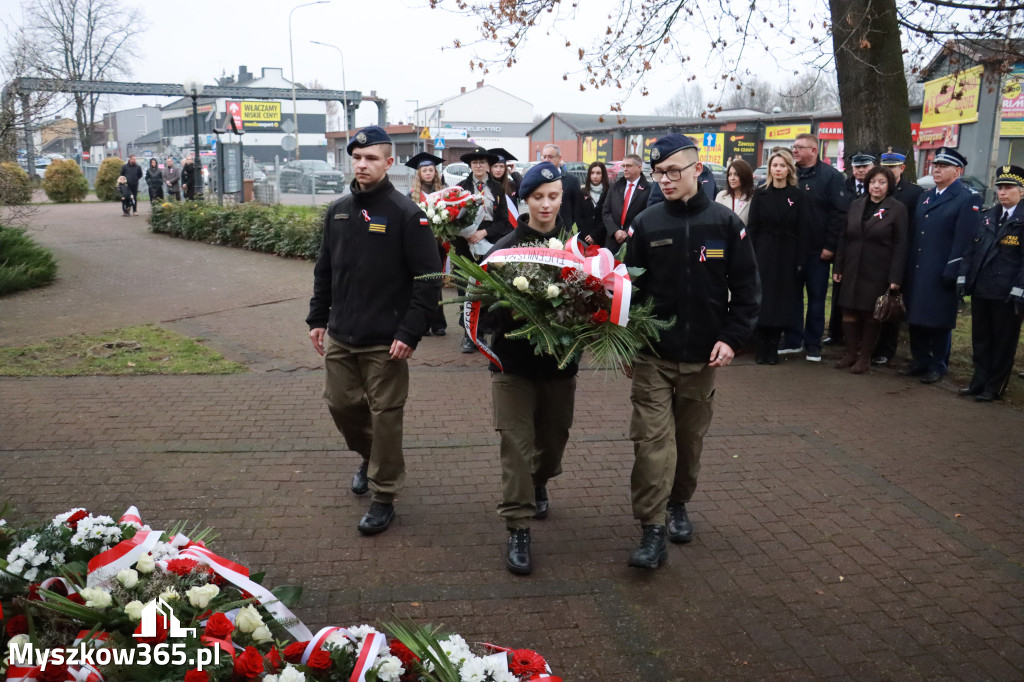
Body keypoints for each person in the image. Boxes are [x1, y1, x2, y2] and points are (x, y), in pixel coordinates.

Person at [623, 134, 760, 569]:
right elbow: (628, 291)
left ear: (697, 170)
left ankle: (678, 503)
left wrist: (732, 338)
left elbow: (747, 289)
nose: (664, 180)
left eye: (672, 171)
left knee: (688, 441)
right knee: (652, 443)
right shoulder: (646, 224)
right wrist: (626, 342)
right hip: (653, 357)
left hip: (703, 358)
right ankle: (652, 529)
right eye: (657, 173)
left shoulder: (725, 224)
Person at [306, 126, 442, 536]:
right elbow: (325, 269)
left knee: (386, 418)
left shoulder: (406, 214)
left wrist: (410, 332)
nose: (362, 165)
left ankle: (384, 496)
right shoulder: (339, 211)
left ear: (388, 163)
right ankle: (370, 456)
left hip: (387, 341)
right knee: (341, 406)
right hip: (342, 335)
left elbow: (429, 279)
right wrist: (317, 318)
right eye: (357, 158)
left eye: (371, 158)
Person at [485, 162, 579, 575]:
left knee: (553, 443)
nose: (546, 204)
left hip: (560, 367)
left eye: (553, 196)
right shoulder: (505, 249)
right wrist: (515, 312)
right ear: (525, 200)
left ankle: (540, 482)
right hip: (513, 367)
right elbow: (484, 309)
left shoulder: (577, 248)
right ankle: (518, 527)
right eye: (538, 197)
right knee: (516, 447)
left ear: (561, 198)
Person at [901, 147, 981, 384]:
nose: (936, 170)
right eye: (935, 166)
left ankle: (938, 364)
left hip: (942, 269)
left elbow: (964, 239)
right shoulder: (926, 196)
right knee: (916, 316)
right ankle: (920, 360)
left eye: (943, 166)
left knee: (938, 320)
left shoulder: (967, 198)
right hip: (918, 267)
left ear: (957, 171)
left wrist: (953, 270)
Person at [956, 165, 1024, 401]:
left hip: (1007, 293)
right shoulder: (987, 216)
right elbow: (971, 250)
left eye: (1008, 188)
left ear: (1021, 191)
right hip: (982, 288)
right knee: (981, 339)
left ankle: (994, 387)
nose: (1002, 192)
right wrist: (963, 278)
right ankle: (979, 381)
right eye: (1000, 187)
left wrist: (1020, 289)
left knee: (1003, 342)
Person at [832, 166, 909, 374]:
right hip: (852, 266)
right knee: (848, 310)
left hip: (878, 269)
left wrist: (895, 277)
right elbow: (843, 237)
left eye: (882, 182)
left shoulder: (897, 209)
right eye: (873, 182)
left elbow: (901, 245)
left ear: (889, 185)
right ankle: (850, 353)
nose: (876, 186)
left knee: (870, 314)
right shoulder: (856, 205)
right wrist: (838, 265)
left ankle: (864, 357)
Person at [783, 133, 850, 362]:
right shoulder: (790, 174)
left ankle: (813, 344)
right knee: (792, 296)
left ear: (813, 150)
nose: (794, 150)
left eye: (799, 147)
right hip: (793, 249)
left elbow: (839, 213)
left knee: (816, 298)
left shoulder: (831, 176)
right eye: (793, 147)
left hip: (818, 250)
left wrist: (830, 245)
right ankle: (793, 340)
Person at [745, 148, 811, 365]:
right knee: (762, 299)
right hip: (763, 252)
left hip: (787, 254)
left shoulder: (798, 196)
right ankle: (761, 344)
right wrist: (751, 256)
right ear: (770, 169)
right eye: (775, 165)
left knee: (781, 300)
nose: (778, 169)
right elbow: (752, 228)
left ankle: (773, 344)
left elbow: (803, 230)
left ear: (789, 169)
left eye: (782, 165)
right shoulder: (760, 194)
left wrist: (800, 261)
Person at [456, 147, 512, 352]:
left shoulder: (497, 189)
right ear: (470, 166)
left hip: (489, 244)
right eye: (474, 162)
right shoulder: (460, 188)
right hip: (465, 246)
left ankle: (484, 331)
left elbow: (504, 222)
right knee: (466, 290)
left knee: (486, 290)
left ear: (488, 165)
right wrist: (466, 233)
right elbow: (453, 218)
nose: (478, 166)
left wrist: (484, 233)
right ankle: (469, 336)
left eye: (482, 162)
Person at [873, 148, 923, 366]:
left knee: (891, 303)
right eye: (885, 167)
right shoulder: (876, 188)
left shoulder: (913, 193)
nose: (889, 171)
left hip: (898, 253)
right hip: (875, 254)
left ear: (902, 168)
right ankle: (869, 345)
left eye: (893, 167)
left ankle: (886, 349)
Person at [406, 152, 448, 337]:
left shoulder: (444, 193)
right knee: (421, 284)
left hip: (438, 245)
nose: (428, 173)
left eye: (431, 170)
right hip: (419, 245)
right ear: (419, 173)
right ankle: (422, 323)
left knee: (435, 282)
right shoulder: (411, 196)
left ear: (435, 172)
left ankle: (438, 323)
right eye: (425, 170)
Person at [602, 154, 651, 251]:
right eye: (623, 166)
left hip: (635, 242)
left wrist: (627, 232)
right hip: (613, 242)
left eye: (629, 166)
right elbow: (606, 212)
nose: (625, 169)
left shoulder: (648, 189)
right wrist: (615, 231)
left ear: (639, 167)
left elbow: (646, 215)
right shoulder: (615, 187)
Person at [539, 144, 585, 230]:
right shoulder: (537, 179)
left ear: (559, 158)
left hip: (564, 230)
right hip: (542, 229)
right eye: (544, 157)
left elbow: (577, 209)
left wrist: (567, 223)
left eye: (550, 157)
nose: (546, 160)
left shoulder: (572, 180)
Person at [647, 163, 718, 207]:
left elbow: (714, 197)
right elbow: (654, 202)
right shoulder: (664, 177)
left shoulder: (707, 173)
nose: (664, 180)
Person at [715, 158, 754, 225]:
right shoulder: (721, 196)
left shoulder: (753, 198)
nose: (732, 178)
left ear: (745, 176)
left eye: (736, 174)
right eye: (730, 174)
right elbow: (715, 220)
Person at [579, 161, 609, 246]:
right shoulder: (582, 192)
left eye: (598, 173)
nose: (595, 176)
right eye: (592, 173)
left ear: (603, 175)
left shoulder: (609, 192)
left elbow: (608, 216)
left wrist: (594, 236)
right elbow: (579, 217)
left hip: (603, 238)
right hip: (584, 238)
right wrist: (587, 235)